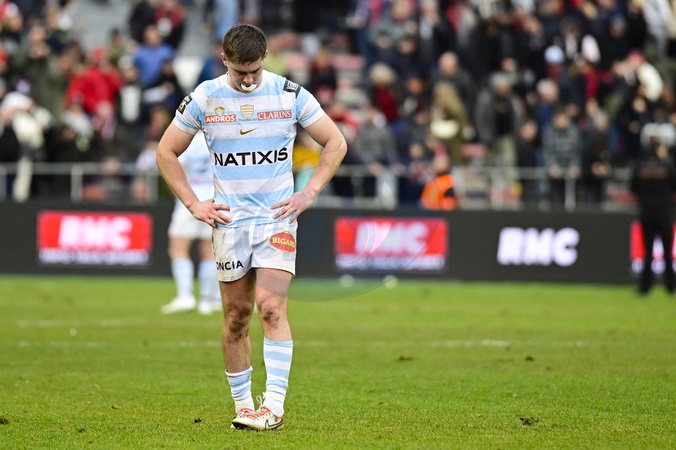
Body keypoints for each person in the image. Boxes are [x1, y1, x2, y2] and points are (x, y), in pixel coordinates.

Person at [155, 24, 347, 431]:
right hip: (230, 223)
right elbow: (166, 152)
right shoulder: (205, 97)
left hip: (277, 220)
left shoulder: (289, 93)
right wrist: (193, 203)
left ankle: (273, 407)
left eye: (255, 71)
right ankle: (244, 407)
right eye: (240, 72)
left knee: (271, 308)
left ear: (266, 59)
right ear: (224, 59)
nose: (248, 80)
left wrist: (309, 193)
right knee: (236, 316)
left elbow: (336, 142)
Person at [159, 130, 221, 315]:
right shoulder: (217, 135)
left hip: (191, 199)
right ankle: (207, 300)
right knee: (210, 251)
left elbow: (171, 166)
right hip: (214, 198)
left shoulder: (186, 138)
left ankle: (185, 296)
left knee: (178, 248)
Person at [630, 141, 676, 295]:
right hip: (665, 213)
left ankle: (645, 286)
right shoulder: (667, 166)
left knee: (647, 251)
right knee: (667, 252)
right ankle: (671, 286)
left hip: (647, 213)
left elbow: (633, 188)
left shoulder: (640, 167)